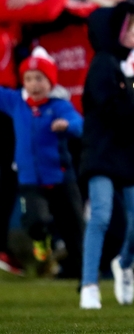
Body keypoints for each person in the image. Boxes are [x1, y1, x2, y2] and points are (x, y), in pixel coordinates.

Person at [79, 1, 134, 309]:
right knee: (100, 215)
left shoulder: (126, 66)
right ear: (113, 32)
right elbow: (110, 107)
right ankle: (89, 284)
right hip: (102, 152)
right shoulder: (103, 63)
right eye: (130, 27)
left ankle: (124, 263)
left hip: (128, 154)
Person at [0, 47, 84, 278]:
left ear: (50, 82)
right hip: (29, 179)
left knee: (74, 226)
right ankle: (42, 240)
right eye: (28, 79)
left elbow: (78, 123)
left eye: (39, 78)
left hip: (59, 177)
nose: (34, 84)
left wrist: (67, 126)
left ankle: (84, 276)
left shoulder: (59, 106)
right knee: (35, 220)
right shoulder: (16, 102)